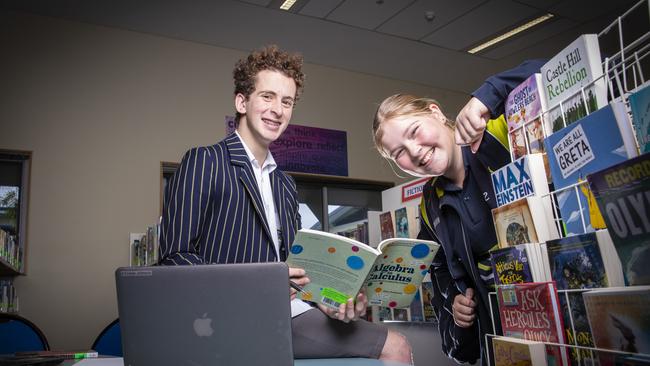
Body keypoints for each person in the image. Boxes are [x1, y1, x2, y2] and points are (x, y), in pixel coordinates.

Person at [159, 45, 412, 362]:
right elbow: (173, 258)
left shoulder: (286, 184)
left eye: (287, 101)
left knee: (397, 345)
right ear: (242, 101)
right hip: (226, 318)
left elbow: (299, 271)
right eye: (267, 96)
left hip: (288, 315)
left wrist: (335, 300)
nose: (277, 109)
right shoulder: (204, 161)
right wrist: (258, 286)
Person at [372, 60, 545, 365]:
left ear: (436, 113)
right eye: (399, 152)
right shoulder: (430, 204)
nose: (413, 151)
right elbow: (440, 271)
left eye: (414, 131)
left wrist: (488, 95)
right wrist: (456, 303)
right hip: (506, 345)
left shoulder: (497, 132)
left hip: (569, 322)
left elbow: (557, 73)